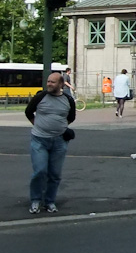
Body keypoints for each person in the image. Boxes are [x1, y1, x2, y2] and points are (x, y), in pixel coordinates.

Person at [24, 72, 76, 214]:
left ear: (60, 84)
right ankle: (35, 200)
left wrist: (59, 127)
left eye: (53, 82)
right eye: (48, 81)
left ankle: (50, 202)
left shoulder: (68, 100)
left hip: (59, 142)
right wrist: (38, 125)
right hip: (39, 140)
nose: (49, 84)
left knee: (54, 174)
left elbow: (71, 117)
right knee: (40, 171)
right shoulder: (41, 97)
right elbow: (28, 112)